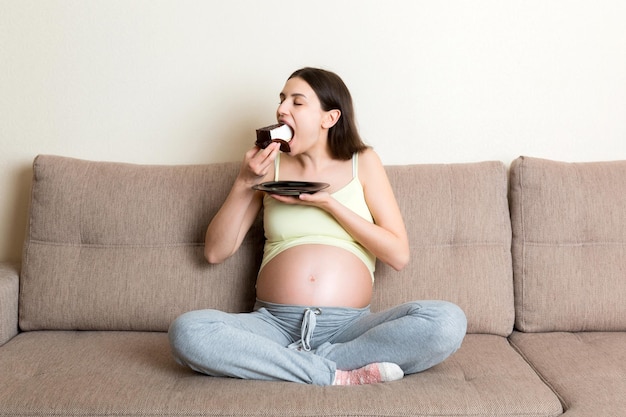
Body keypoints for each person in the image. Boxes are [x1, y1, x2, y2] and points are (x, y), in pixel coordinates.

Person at [168, 67, 467, 386]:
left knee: (446, 321)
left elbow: (398, 255)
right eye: (282, 100)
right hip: (273, 326)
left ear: (330, 118)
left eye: (297, 103)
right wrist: (245, 181)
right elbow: (215, 252)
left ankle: (297, 366)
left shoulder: (362, 162)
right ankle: (336, 373)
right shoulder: (268, 168)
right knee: (188, 332)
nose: (282, 109)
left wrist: (329, 204)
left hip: (349, 329)